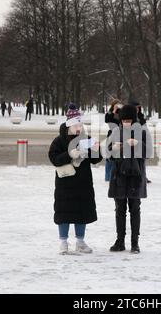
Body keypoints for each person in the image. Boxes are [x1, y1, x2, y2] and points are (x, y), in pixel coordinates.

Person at [48, 104, 102, 255]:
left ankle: (80, 241)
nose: (78, 128)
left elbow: (96, 160)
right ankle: (63, 242)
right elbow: (54, 158)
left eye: (80, 124)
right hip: (65, 183)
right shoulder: (59, 141)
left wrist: (96, 151)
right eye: (75, 125)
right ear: (69, 126)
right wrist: (70, 154)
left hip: (83, 183)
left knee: (82, 212)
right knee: (64, 212)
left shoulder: (86, 139)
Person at [107, 104, 153, 253]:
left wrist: (138, 143)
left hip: (136, 176)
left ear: (134, 120)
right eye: (124, 120)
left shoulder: (142, 132)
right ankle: (120, 241)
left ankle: (135, 242)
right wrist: (113, 149)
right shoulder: (115, 132)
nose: (126, 123)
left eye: (129, 120)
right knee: (119, 210)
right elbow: (107, 154)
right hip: (119, 176)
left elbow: (149, 152)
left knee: (135, 209)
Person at [104, 100, 123, 182]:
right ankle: (108, 177)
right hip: (111, 135)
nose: (118, 106)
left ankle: (117, 176)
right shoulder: (110, 112)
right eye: (116, 105)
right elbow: (107, 120)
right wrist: (114, 111)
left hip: (120, 135)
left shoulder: (121, 113)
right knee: (109, 157)